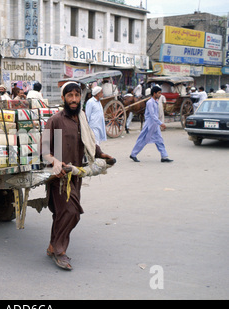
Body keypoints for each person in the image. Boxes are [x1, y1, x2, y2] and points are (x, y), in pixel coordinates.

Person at [41, 81, 114, 270]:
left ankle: (52, 246)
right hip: (59, 178)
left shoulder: (81, 118)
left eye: (77, 95)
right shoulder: (56, 120)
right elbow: (45, 150)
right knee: (71, 213)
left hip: (76, 175)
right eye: (70, 96)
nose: (74, 99)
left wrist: (101, 154)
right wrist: (55, 162)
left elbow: (89, 142)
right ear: (63, 98)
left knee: (61, 214)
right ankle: (60, 251)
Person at [129, 86, 173, 163]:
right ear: (154, 93)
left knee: (159, 140)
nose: (160, 95)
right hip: (149, 125)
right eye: (159, 93)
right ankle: (133, 154)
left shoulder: (155, 102)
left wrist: (158, 123)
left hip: (155, 125)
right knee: (143, 140)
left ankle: (164, 156)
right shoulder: (150, 102)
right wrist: (161, 123)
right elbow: (152, 115)